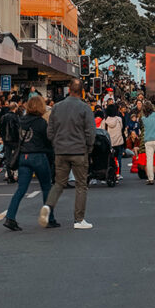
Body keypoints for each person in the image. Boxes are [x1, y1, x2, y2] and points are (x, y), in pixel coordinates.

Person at [39, 79, 96, 230]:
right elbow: (91, 132)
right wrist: (88, 148)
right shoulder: (85, 108)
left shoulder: (56, 107)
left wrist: (56, 143)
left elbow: (50, 131)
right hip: (79, 150)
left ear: (68, 89)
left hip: (60, 150)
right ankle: (79, 219)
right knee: (81, 185)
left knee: (59, 183)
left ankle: (48, 206)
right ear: (82, 91)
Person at [4, 95, 58, 231]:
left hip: (24, 156)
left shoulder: (21, 121)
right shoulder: (41, 123)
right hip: (39, 156)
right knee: (46, 187)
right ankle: (49, 218)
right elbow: (48, 142)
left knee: (21, 189)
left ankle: (10, 217)